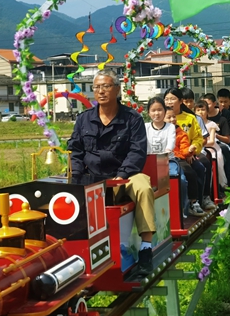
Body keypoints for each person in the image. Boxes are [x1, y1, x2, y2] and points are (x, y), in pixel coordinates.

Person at [68, 68, 155, 276]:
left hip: (125, 177)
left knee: (143, 186)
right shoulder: (83, 119)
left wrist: (122, 175)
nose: (101, 91)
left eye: (106, 86)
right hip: (93, 179)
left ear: (117, 89)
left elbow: (137, 151)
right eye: (96, 87)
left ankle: (145, 248)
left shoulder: (132, 118)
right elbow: (76, 151)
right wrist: (77, 179)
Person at [164, 88, 216, 211]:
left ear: (180, 101)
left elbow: (198, 138)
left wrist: (191, 152)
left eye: (173, 99)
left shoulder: (191, 118)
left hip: (190, 152)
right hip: (171, 155)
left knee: (201, 166)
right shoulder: (161, 117)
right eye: (167, 99)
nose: (169, 102)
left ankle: (201, 198)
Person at [144, 97, 192, 217]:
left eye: (160, 110)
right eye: (153, 110)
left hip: (168, 160)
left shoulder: (170, 127)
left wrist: (166, 152)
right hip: (149, 161)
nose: (157, 113)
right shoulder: (145, 127)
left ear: (164, 111)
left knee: (181, 180)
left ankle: (182, 209)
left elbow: (171, 142)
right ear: (148, 113)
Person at [165, 108, 205, 216]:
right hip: (162, 159)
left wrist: (189, 151)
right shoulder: (159, 132)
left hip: (178, 158)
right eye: (169, 117)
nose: (172, 119)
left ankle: (193, 202)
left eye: (174, 117)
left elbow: (184, 148)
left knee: (190, 173)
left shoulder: (181, 133)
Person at [195, 101, 228, 188]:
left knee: (217, 160)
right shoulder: (193, 124)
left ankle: (222, 183)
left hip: (211, 147)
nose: (201, 112)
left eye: (203, 110)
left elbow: (212, 141)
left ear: (207, 111)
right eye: (198, 110)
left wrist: (199, 144)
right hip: (199, 148)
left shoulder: (211, 124)